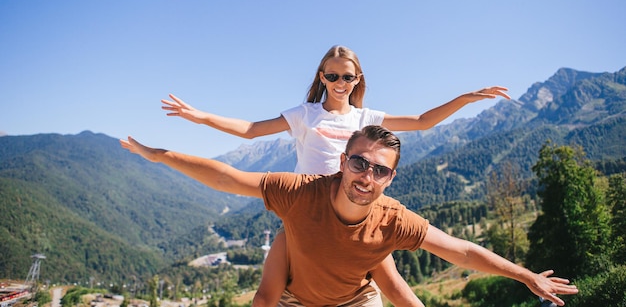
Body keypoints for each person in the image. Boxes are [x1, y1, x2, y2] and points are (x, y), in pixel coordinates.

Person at [161, 45, 511, 307]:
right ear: (321, 77)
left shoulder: (366, 118)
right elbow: (252, 130)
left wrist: (464, 98)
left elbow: (421, 122)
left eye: (347, 76)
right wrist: (201, 117)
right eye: (332, 76)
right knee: (270, 293)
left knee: (395, 286)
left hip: (356, 209)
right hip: (307, 211)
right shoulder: (305, 115)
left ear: (357, 79)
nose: (339, 83)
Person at [119, 125, 578, 307]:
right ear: (342, 162)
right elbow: (227, 177)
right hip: (296, 302)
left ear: (389, 180)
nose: (366, 176)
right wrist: (159, 155)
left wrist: (525, 276)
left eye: (380, 170)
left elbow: (459, 249)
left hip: (356, 303)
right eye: (359, 163)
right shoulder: (299, 194)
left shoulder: (394, 219)